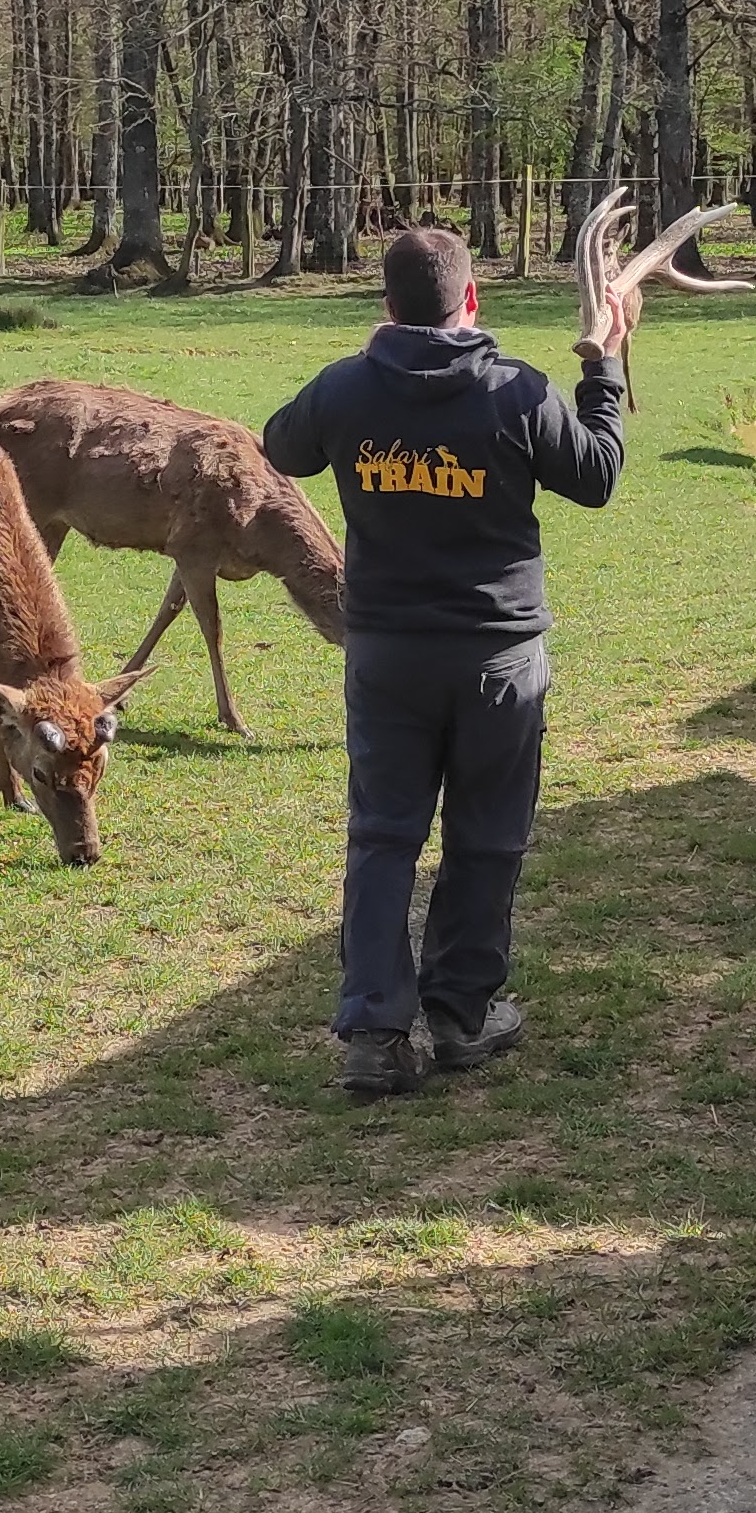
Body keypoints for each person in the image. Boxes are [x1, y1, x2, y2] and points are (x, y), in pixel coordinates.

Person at [262, 219, 626, 1097]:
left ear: (385, 305)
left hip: (386, 656)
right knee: (486, 836)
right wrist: (604, 366)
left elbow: (280, 447)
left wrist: (369, 366)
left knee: (384, 837)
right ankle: (462, 1016)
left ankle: (376, 1035)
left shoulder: (346, 390)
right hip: (498, 659)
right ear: (472, 299)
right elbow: (599, 474)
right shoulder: (519, 391)